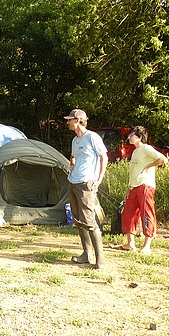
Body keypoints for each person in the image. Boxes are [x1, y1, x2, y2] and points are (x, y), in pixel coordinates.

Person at [65, 108, 109, 269]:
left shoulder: (92, 137)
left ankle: (100, 259)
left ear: (78, 120)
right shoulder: (75, 140)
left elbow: (104, 156)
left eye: (70, 119)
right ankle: (86, 254)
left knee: (89, 221)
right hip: (73, 181)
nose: (67, 122)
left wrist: (99, 179)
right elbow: (74, 156)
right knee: (78, 220)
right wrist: (72, 164)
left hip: (86, 183)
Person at [118, 126, 168, 254]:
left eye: (131, 135)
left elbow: (163, 159)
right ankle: (130, 244)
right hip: (134, 186)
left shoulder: (147, 148)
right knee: (128, 213)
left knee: (147, 214)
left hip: (145, 185)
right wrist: (128, 189)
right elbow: (133, 171)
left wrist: (148, 166)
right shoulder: (135, 152)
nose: (129, 137)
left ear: (139, 137)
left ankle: (147, 246)